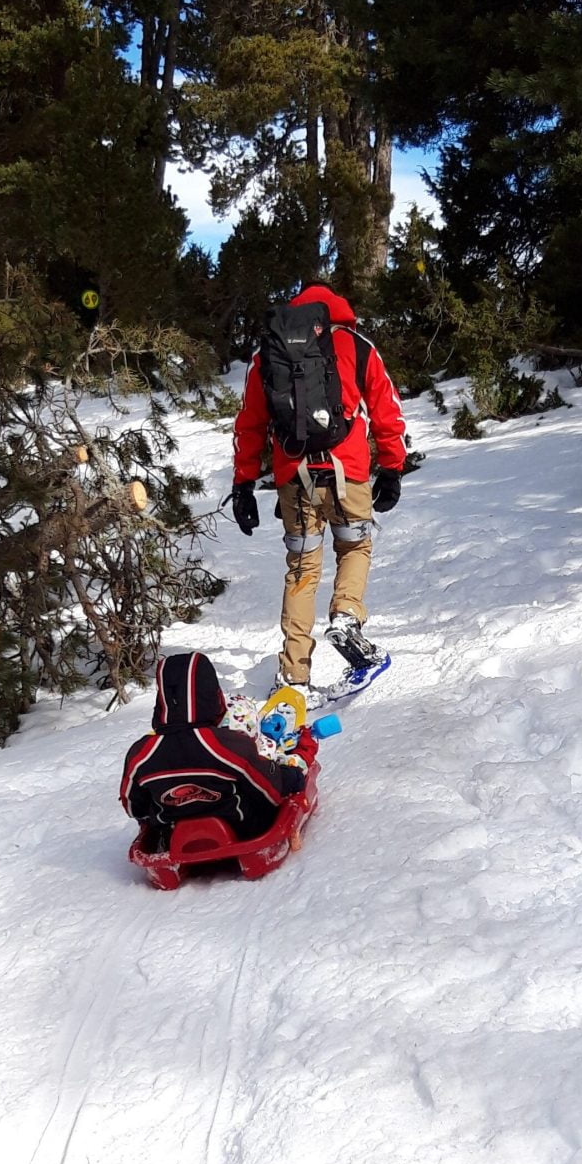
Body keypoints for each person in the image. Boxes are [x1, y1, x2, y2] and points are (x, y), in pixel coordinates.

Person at [229, 281, 407, 694]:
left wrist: (244, 484)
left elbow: (249, 424)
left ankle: (294, 677)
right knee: (354, 547)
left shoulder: (268, 353)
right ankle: (346, 614)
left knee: (302, 570)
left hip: (294, 476)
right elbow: (387, 409)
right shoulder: (356, 345)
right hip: (348, 472)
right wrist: (392, 468)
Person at [121, 650, 305, 855]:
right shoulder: (229, 745)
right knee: (263, 788)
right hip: (243, 831)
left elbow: (133, 807)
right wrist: (293, 777)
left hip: (172, 836)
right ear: (212, 697)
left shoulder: (140, 754)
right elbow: (270, 789)